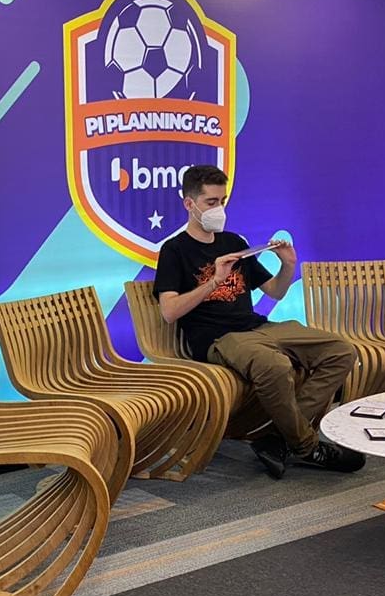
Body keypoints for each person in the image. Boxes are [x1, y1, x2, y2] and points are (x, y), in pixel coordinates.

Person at [152, 164, 364, 479]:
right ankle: (307, 447)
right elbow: (169, 311)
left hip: (259, 327)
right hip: (219, 338)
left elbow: (275, 291)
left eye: (223, 201)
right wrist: (213, 282)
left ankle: (279, 439)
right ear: (189, 204)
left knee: (341, 351)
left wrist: (288, 265)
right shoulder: (174, 250)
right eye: (211, 202)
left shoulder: (233, 242)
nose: (219, 209)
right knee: (275, 366)